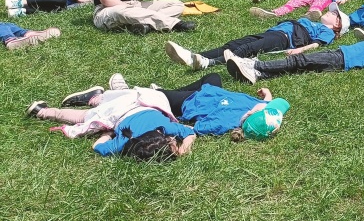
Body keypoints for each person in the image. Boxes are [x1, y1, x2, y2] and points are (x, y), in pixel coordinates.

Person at [58, 73, 290, 142]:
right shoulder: (263, 108)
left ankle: (100, 97)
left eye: (262, 108)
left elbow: (197, 128)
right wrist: (267, 95)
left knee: (147, 97)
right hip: (207, 90)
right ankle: (160, 90)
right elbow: (277, 103)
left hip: (188, 103)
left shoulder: (223, 124)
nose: (264, 105)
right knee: (213, 77)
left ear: (250, 115)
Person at [27, 83, 196, 161]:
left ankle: (109, 91)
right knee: (83, 117)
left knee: (120, 95)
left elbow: (189, 133)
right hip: (120, 110)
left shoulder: (164, 127)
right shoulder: (124, 141)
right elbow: (97, 146)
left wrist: (183, 148)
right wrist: (107, 134)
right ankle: (42, 111)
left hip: (140, 101)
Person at [165, 9, 348, 70]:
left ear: (337, 25)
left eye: (335, 14)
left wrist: (299, 50)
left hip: (284, 38)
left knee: (249, 49)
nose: (331, 12)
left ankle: (208, 63)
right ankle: (194, 56)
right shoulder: (315, 23)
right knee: (233, 44)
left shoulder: (328, 32)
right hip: (274, 32)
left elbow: (316, 44)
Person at [225, 28, 364, 83]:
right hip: (339, 54)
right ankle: (259, 74)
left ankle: (256, 66)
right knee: (299, 66)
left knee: (300, 60)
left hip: (341, 60)